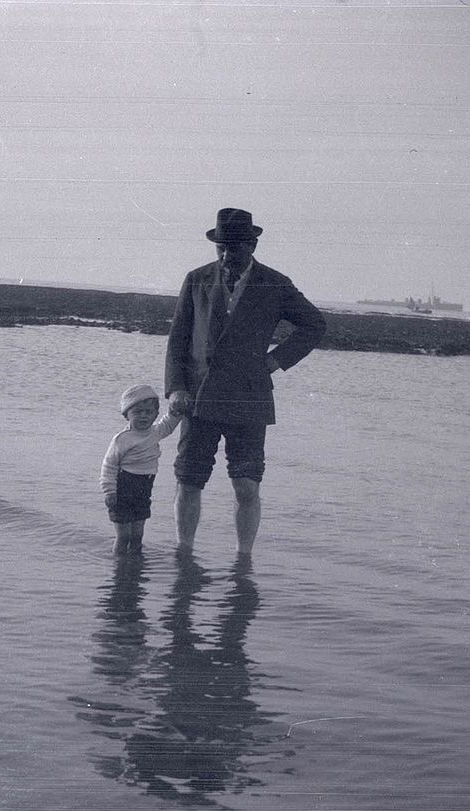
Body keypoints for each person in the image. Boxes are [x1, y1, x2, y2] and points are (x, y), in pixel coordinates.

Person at [164, 208, 326, 555]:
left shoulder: (275, 283)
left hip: (249, 399)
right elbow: (177, 339)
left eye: (234, 248)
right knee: (188, 480)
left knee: (246, 486)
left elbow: (315, 324)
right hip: (198, 397)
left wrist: (275, 360)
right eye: (220, 248)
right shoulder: (196, 279)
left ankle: (243, 561)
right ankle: (184, 553)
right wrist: (176, 387)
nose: (225, 256)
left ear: (252, 245)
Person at [100, 384, 183, 555]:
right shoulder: (122, 439)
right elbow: (108, 466)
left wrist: (176, 411)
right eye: (137, 412)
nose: (143, 416)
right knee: (124, 536)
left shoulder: (155, 432)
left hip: (144, 488)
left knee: (137, 535)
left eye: (148, 412)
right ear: (126, 414)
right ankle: (120, 567)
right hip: (123, 488)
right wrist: (109, 492)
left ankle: (136, 564)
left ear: (155, 414)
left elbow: (168, 424)